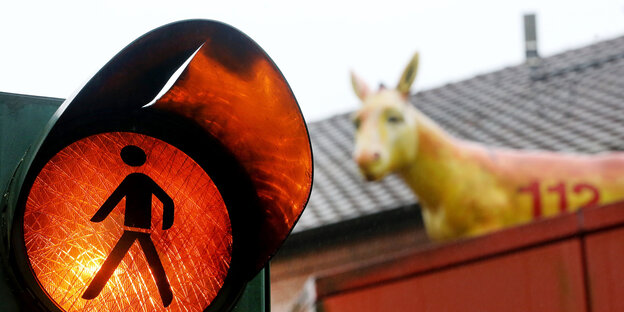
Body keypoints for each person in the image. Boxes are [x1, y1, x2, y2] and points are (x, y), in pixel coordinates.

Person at [82, 145, 174, 307]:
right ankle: (166, 296)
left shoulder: (133, 179)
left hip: (132, 228)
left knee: (115, 259)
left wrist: (99, 217)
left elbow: (114, 198)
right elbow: (167, 200)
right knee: (151, 261)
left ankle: (92, 291)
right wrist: (166, 223)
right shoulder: (143, 180)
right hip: (141, 229)